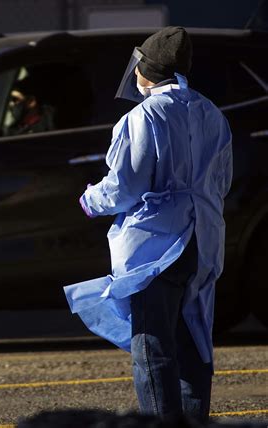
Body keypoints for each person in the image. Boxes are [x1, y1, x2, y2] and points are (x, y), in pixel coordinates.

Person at [64, 27, 232, 422]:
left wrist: (91, 200)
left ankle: (160, 422)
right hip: (202, 238)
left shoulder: (143, 116)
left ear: (146, 69)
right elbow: (222, 180)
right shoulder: (209, 110)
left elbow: (126, 183)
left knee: (152, 345)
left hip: (155, 244)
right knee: (193, 336)